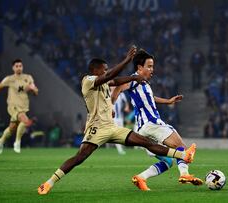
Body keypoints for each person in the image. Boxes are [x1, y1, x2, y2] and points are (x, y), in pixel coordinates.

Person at [37, 46, 196, 195]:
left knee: (145, 142)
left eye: (106, 69)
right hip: (96, 129)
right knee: (79, 157)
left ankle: (183, 156)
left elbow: (117, 81)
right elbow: (110, 76)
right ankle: (49, 183)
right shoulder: (88, 81)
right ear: (95, 70)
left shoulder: (105, 82)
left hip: (113, 128)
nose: (106, 71)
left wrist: (135, 78)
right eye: (104, 69)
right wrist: (127, 60)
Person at [112, 49, 203, 191]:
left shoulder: (143, 84)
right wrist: (111, 105)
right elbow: (118, 87)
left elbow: (150, 99)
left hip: (142, 130)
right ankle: (184, 174)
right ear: (139, 67)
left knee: (167, 161)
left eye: (152, 66)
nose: (152, 69)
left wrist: (168, 101)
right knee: (181, 147)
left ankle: (141, 178)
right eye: (149, 66)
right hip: (151, 123)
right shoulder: (133, 79)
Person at [0, 59, 38, 154]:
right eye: (17, 66)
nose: (19, 68)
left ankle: (1, 140)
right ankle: (17, 142)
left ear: (22, 67)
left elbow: (35, 92)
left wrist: (33, 90)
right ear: (13, 68)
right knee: (25, 121)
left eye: (20, 66)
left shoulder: (28, 78)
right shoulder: (9, 79)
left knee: (12, 128)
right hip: (13, 106)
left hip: (24, 106)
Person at [111, 86, 130, 155]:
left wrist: (126, 107)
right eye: (112, 87)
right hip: (113, 118)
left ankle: (121, 147)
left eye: (114, 86)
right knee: (116, 133)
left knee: (122, 133)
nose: (113, 88)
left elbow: (126, 102)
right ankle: (120, 150)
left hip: (120, 118)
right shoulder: (108, 94)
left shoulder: (121, 94)